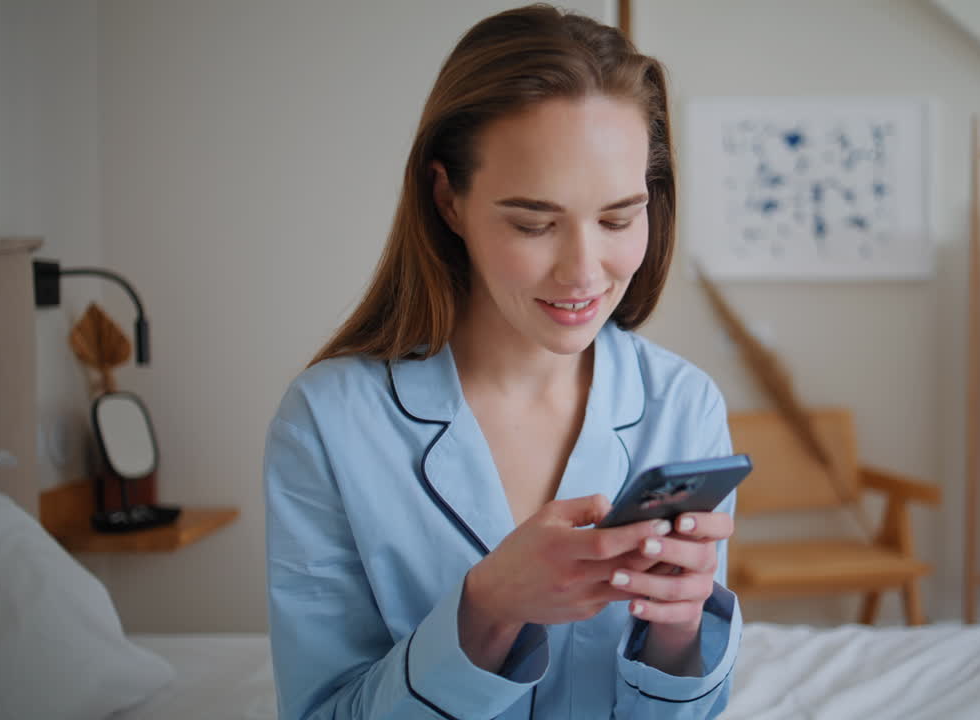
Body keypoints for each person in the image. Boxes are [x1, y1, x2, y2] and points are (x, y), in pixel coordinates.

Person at [263, 6, 741, 719]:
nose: (583, 272)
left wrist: (674, 632)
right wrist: (484, 611)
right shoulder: (329, 421)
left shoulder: (684, 406)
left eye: (617, 218)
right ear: (448, 199)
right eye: (533, 223)